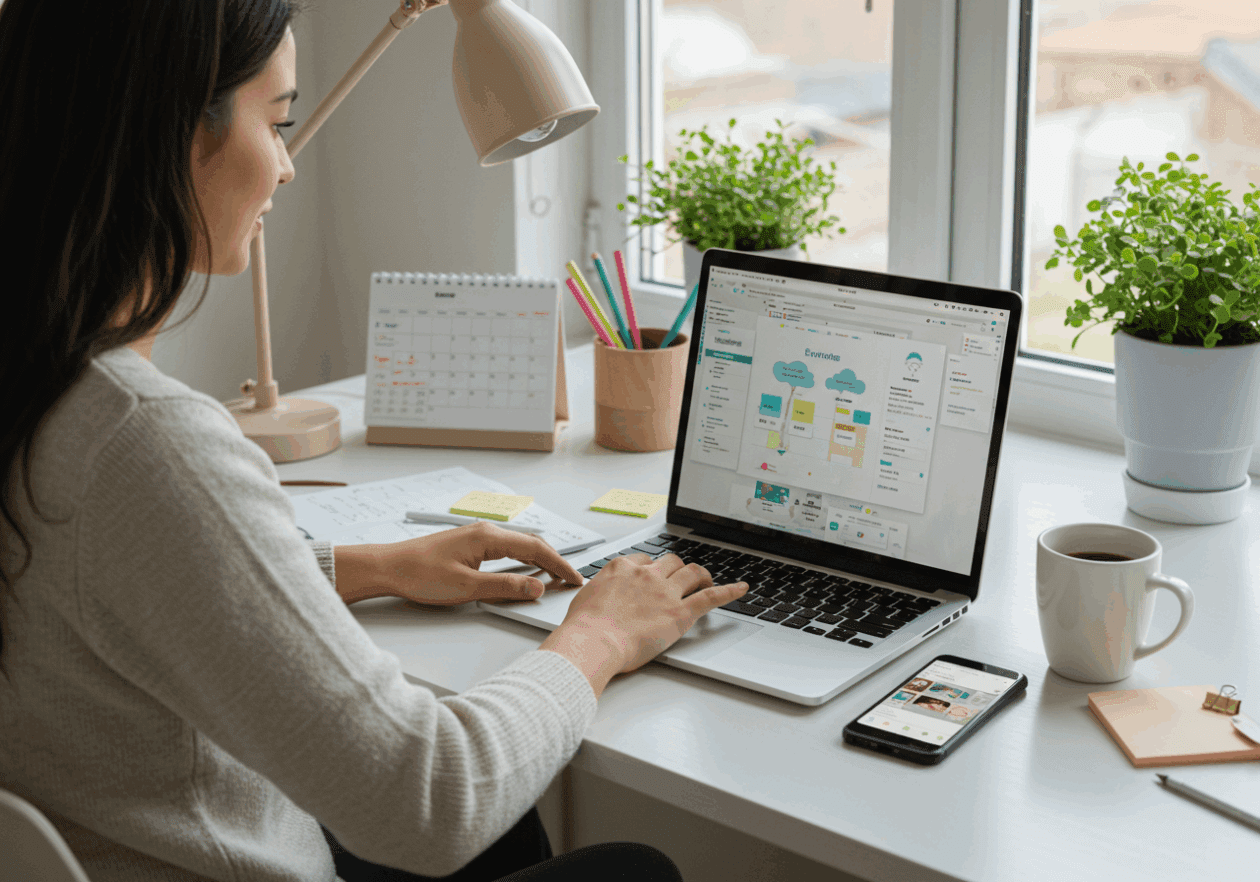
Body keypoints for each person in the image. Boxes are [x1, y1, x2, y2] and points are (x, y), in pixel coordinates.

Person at [0, 2, 748, 880]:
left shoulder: (36, 381)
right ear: (169, 132)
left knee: (513, 838)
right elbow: (429, 802)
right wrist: (601, 635)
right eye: (276, 122)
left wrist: (372, 567)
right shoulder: (142, 441)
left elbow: (100, 581)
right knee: (630, 870)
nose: (285, 167)